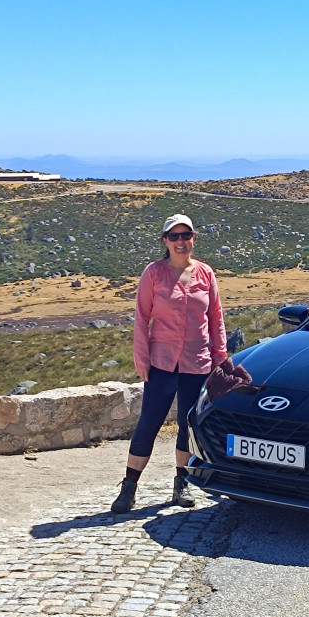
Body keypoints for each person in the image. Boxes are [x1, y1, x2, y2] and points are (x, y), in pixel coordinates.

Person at [110, 213, 228, 513]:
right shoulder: (154, 273)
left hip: (197, 363)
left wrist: (220, 357)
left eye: (185, 235)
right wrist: (141, 357)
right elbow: (142, 318)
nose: (180, 242)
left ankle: (181, 483)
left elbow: (215, 318)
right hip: (161, 363)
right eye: (174, 236)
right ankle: (129, 486)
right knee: (149, 423)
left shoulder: (206, 274)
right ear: (165, 241)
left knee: (187, 426)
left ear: (194, 238)